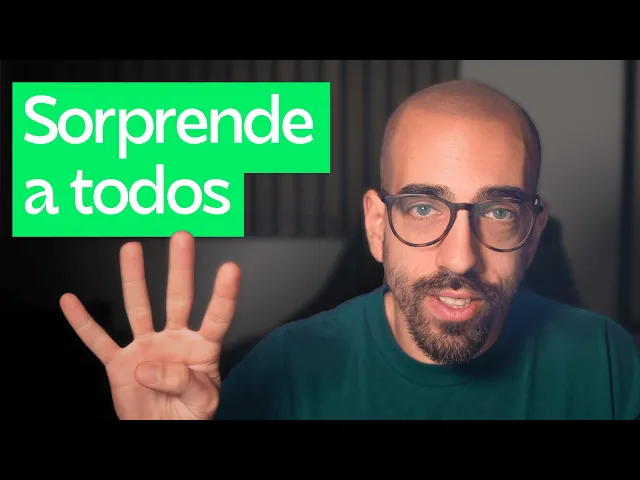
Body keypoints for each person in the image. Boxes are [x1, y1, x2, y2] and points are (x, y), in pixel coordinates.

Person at [59, 79, 640, 420]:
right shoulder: (281, 369)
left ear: (532, 235)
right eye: (422, 208)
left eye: (498, 212)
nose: (460, 259)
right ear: (376, 225)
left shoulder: (607, 362)